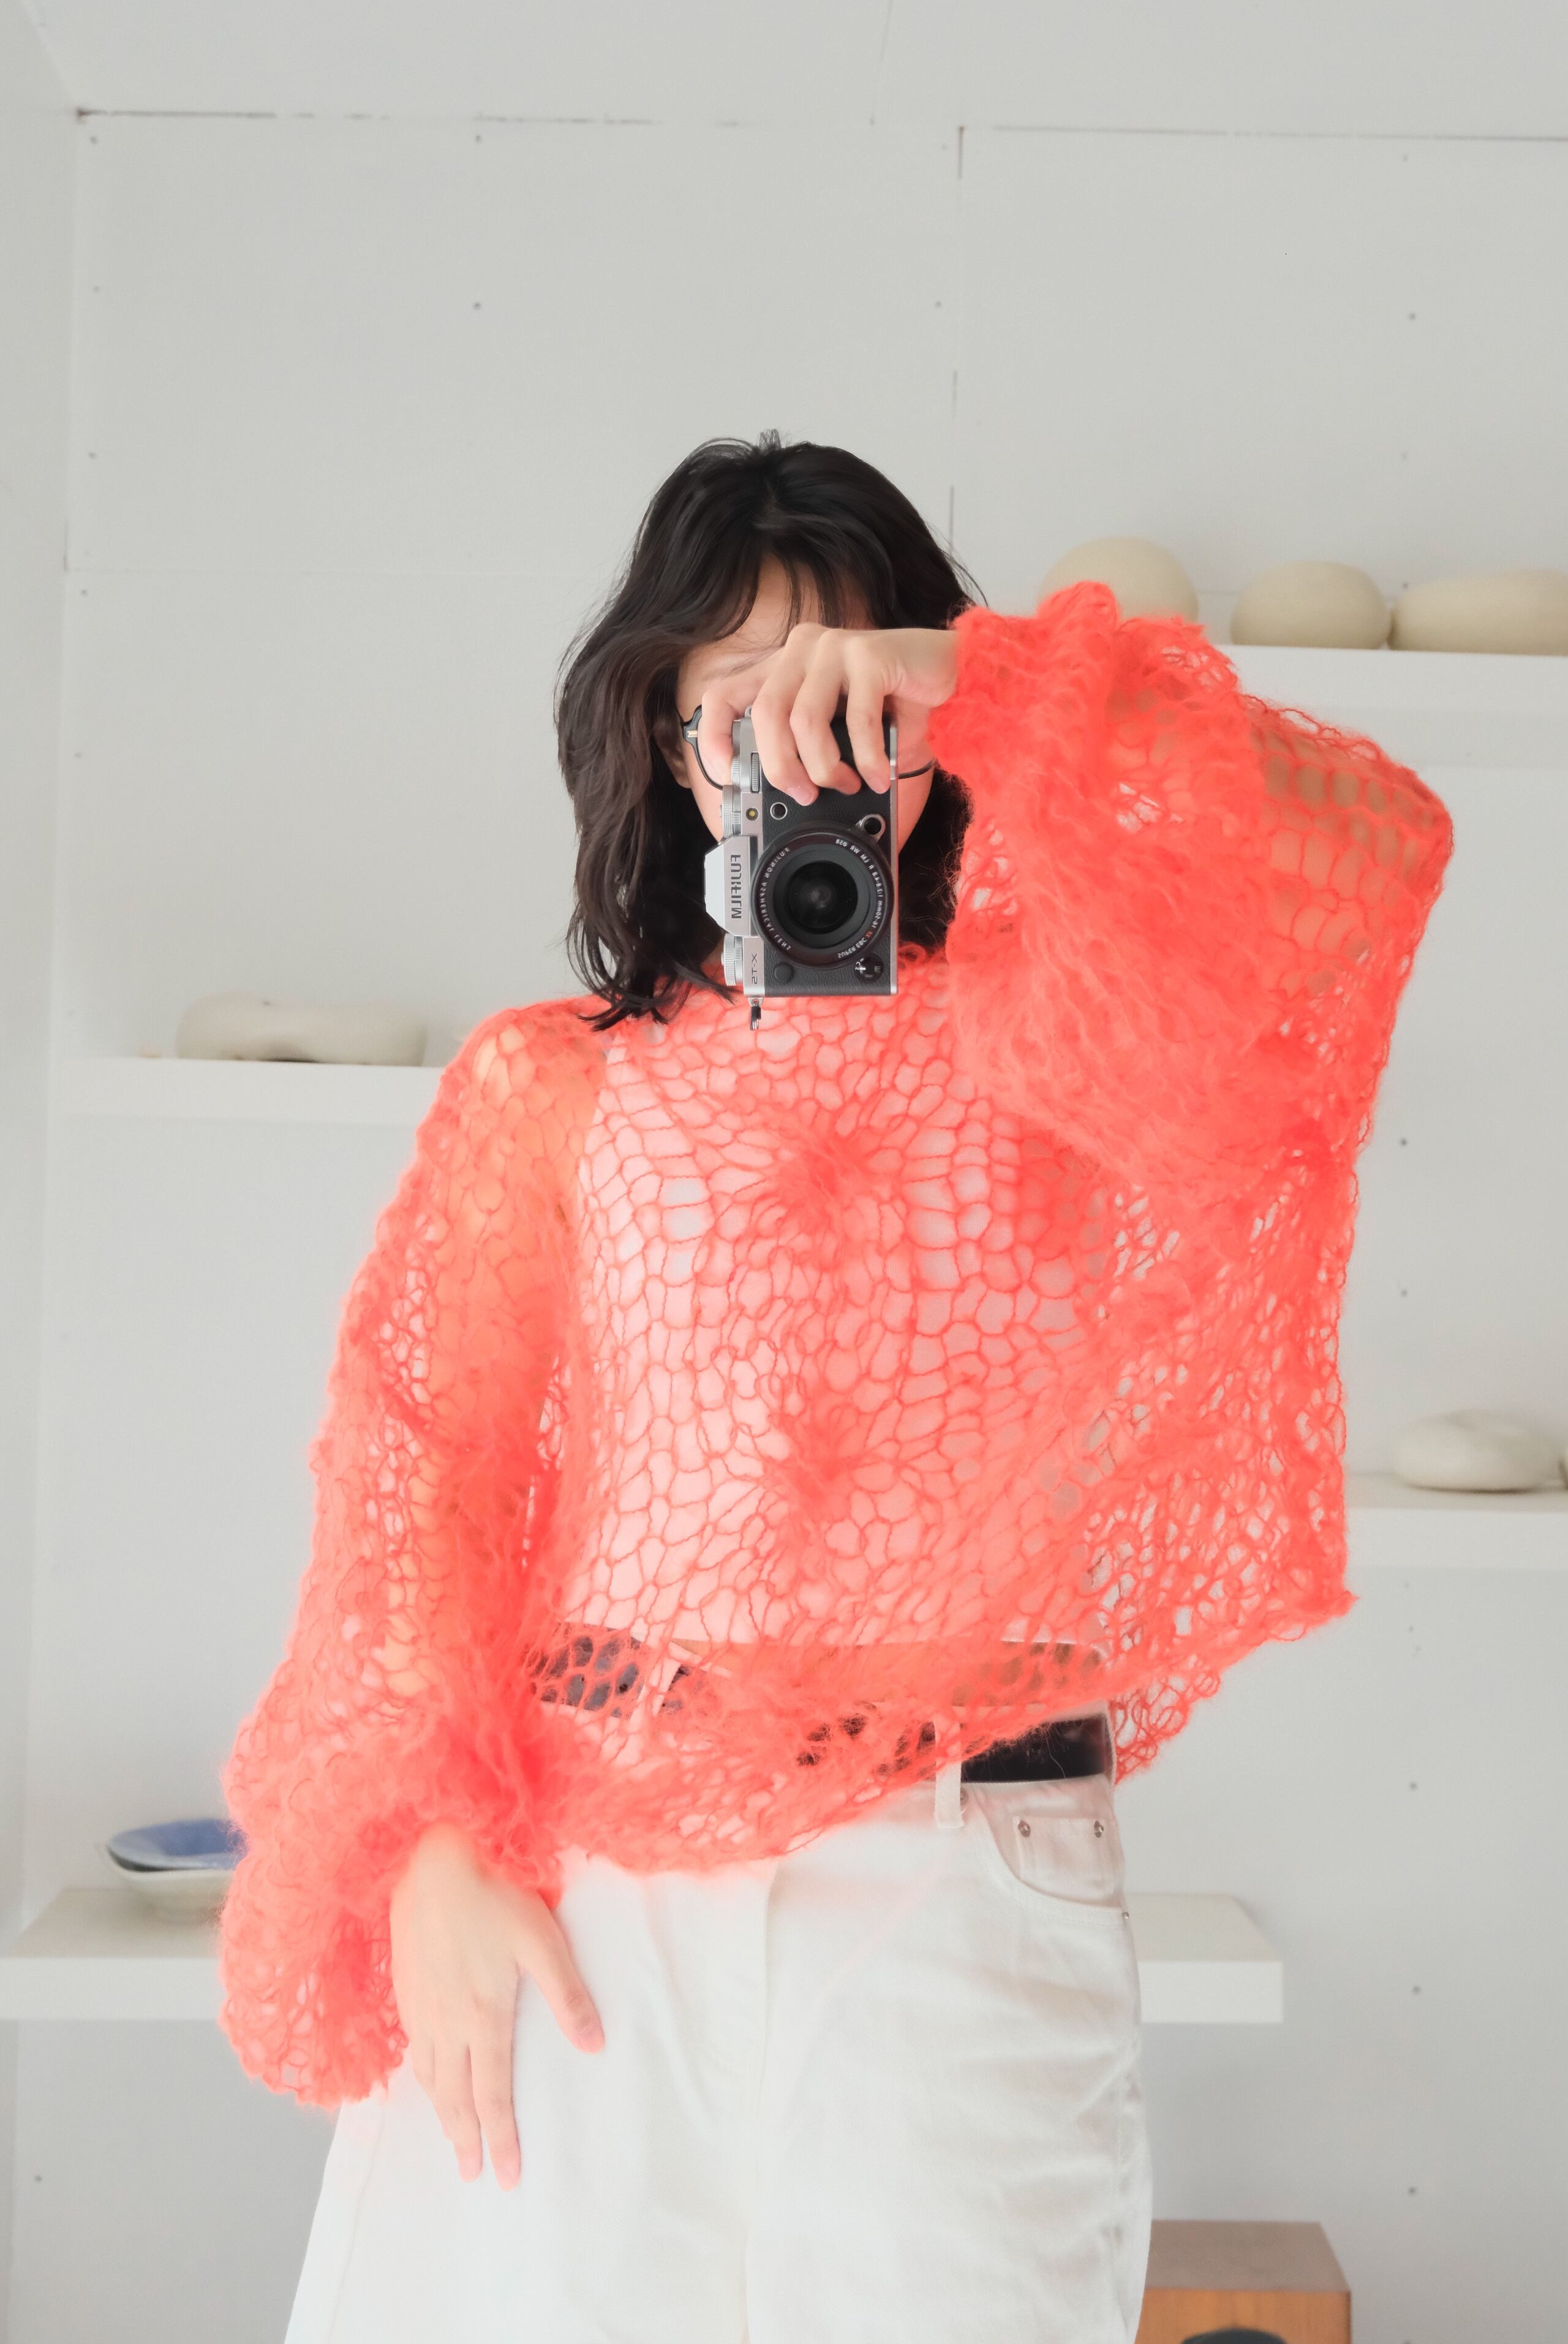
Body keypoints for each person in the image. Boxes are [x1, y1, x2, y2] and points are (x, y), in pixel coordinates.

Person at [216, 433, 1454, 2344]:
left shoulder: (1075, 1038)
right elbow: (425, 1483)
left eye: (848, 699)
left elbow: (1361, 850)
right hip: (591, 1890)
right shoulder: (551, 1081)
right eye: (740, 704)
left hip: (967, 1888)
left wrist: (989, 682)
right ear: (658, 740)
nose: (797, 751)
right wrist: (432, 1852)